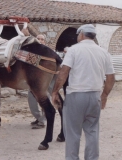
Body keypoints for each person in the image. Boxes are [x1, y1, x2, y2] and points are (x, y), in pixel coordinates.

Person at [52, 24, 115, 160]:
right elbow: (111, 77)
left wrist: (55, 92)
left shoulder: (74, 50)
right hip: (94, 96)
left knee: (73, 133)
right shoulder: (103, 52)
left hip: (76, 96)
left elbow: (63, 73)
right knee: (92, 132)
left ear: (81, 35)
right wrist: (104, 96)